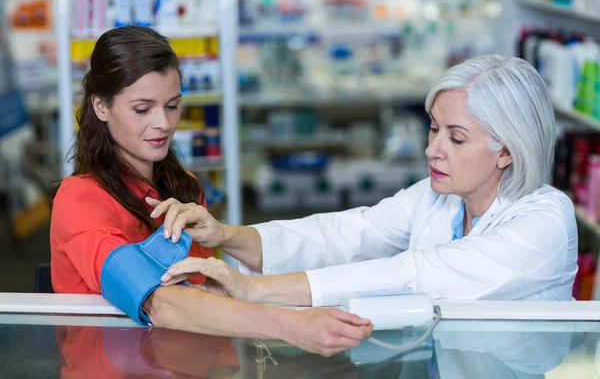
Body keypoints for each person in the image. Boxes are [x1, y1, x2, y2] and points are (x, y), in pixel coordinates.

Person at [156, 55, 579, 308]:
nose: (433, 149)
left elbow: (413, 274)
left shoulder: (545, 221)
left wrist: (256, 290)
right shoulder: (437, 199)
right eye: (433, 129)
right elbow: (344, 234)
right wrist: (225, 234)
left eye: (457, 137)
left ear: (507, 150)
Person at [50, 26, 373, 357]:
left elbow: (207, 290)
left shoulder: (182, 187)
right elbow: (155, 301)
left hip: (186, 361)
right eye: (142, 109)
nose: (163, 123)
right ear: (101, 107)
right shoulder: (80, 199)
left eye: (172, 105)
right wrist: (291, 325)